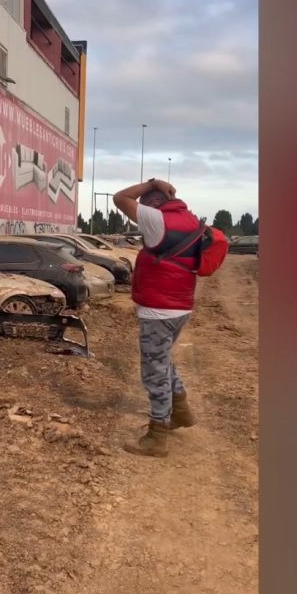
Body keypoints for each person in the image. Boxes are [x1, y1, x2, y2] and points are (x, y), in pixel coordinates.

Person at [113, 177, 201, 457]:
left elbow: (119, 198)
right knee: (162, 360)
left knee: (154, 371)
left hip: (159, 309)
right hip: (181, 306)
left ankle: (157, 436)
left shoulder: (155, 218)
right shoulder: (188, 218)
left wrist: (151, 182)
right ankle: (181, 412)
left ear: (152, 202)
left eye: (144, 203)